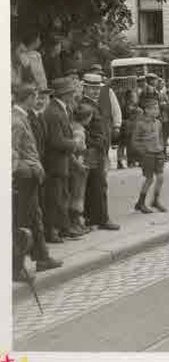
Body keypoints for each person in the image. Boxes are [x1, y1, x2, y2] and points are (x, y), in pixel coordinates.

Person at [12, 83, 63, 279]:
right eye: (35, 97)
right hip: (24, 179)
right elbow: (12, 154)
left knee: (35, 218)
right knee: (23, 222)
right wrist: (29, 170)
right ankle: (16, 268)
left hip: (31, 177)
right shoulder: (16, 120)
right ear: (28, 98)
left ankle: (42, 258)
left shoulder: (21, 117)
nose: (37, 100)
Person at [42, 77, 84, 242]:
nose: (73, 95)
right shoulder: (54, 112)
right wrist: (75, 143)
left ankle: (62, 228)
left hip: (62, 160)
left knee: (62, 195)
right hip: (55, 161)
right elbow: (56, 141)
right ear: (65, 94)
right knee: (55, 197)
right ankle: (52, 231)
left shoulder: (60, 109)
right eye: (71, 93)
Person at [80, 74, 120, 231]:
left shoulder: (92, 104)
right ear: (85, 88)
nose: (95, 91)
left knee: (95, 184)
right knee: (98, 184)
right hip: (93, 151)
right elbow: (83, 130)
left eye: (97, 88)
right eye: (92, 88)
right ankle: (102, 219)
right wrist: (97, 144)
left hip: (97, 149)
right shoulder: (85, 105)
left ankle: (92, 217)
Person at [130, 98, 168, 213]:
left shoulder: (158, 123)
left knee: (160, 177)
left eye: (157, 108)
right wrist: (143, 151)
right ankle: (141, 202)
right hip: (148, 154)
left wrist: (162, 147)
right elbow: (135, 141)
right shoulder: (140, 124)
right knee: (149, 179)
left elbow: (160, 137)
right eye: (154, 109)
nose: (157, 111)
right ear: (147, 110)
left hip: (158, 153)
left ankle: (155, 200)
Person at [68, 103, 93, 233]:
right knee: (77, 194)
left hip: (75, 164)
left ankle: (78, 222)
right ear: (87, 118)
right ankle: (75, 223)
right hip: (78, 164)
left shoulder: (72, 126)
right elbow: (76, 147)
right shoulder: (79, 131)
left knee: (75, 194)